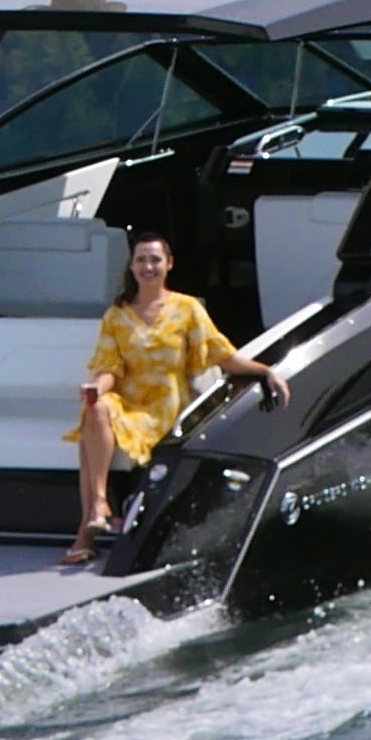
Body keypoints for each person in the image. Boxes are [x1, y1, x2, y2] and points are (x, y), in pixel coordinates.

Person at [67, 233, 290, 566]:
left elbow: (222, 355)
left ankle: (87, 531)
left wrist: (266, 371)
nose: (148, 266)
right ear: (131, 266)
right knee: (95, 409)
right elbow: (109, 368)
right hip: (127, 405)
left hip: (166, 407)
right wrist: (97, 388)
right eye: (141, 259)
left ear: (169, 264)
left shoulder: (187, 309)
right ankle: (98, 504)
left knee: (90, 437)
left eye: (155, 259)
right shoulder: (117, 315)